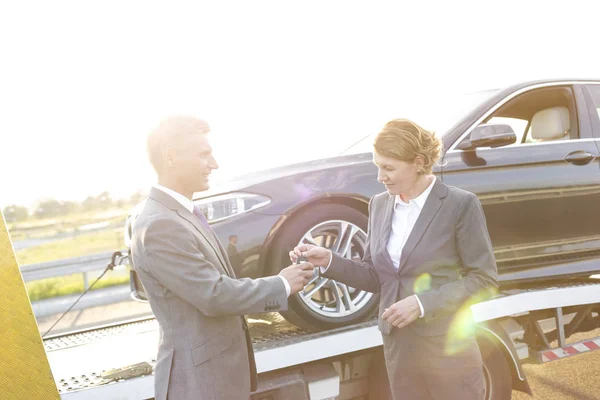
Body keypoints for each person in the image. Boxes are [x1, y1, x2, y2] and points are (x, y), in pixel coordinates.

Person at [291, 118, 499, 400]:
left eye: (388, 168)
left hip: (449, 351)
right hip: (399, 350)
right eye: (377, 166)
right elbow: (376, 276)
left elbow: (484, 280)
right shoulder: (379, 204)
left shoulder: (460, 204)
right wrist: (329, 260)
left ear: (418, 162)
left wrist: (422, 304)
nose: (380, 176)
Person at [131, 115, 314, 400]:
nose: (213, 164)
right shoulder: (160, 224)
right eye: (203, 155)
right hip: (199, 384)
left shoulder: (179, 214)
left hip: (213, 379)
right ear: (170, 157)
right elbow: (213, 294)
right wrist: (282, 284)